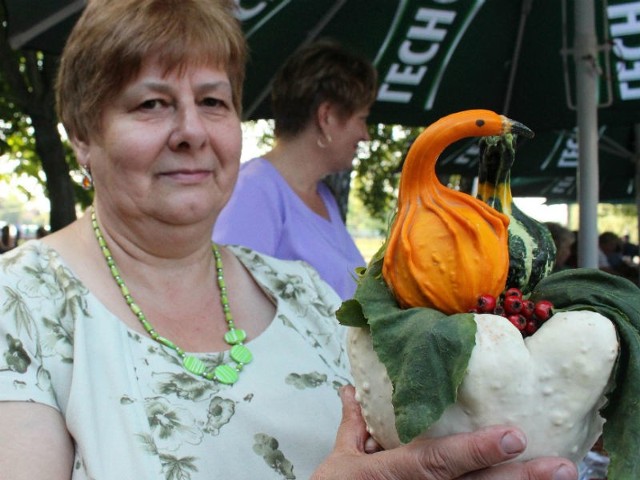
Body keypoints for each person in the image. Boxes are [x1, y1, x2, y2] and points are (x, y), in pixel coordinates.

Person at [0, 1, 578, 479]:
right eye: (152, 103)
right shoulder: (21, 306)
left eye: (212, 101)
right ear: (81, 135)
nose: (192, 132)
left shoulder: (303, 293)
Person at [214, 40, 372, 300]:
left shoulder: (324, 197)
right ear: (327, 116)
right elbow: (229, 301)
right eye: (362, 119)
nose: (365, 136)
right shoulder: (254, 191)